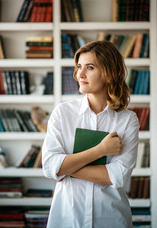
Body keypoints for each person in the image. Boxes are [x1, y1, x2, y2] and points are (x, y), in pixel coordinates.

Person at [42, 40, 139, 228]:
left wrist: (66, 168)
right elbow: (49, 167)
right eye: (79, 67)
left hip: (111, 219)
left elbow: (117, 176)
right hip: (67, 219)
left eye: (90, 67)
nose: (80, 74)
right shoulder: (62, 113)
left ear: (109, 73)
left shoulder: (127, 120)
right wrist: (100, 150)